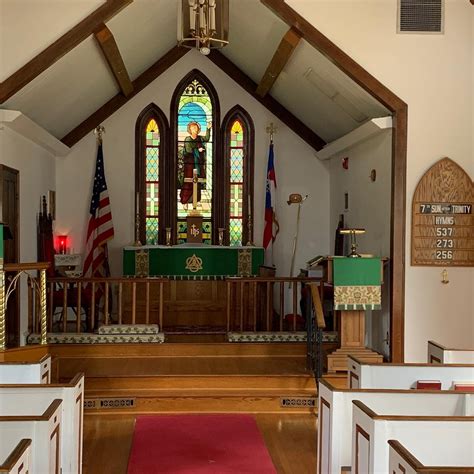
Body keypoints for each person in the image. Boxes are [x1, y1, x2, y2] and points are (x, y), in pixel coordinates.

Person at [180, 121, 211, 204]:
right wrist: (198, 150)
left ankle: (196, 199)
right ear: (190, 129)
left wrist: (208, 128)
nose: (195, 129)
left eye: (196, 128)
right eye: (193, 128)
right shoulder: (188, 139)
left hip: (198, 163)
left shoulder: (200, 138)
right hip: (190, 164)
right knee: (189, 181)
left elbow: (207, 138)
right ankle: (185, 199)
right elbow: (188, 150)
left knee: (197, 181)